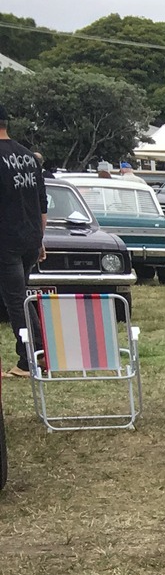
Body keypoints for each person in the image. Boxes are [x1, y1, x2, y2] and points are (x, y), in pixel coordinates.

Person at [0, 105, 46, 376]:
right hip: (30, 238)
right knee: (19, 298)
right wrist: (40, 240)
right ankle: (35, 353)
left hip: (6, 239)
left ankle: (30, 358)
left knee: (16, 301)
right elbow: (42, 204)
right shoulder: (29, 156)